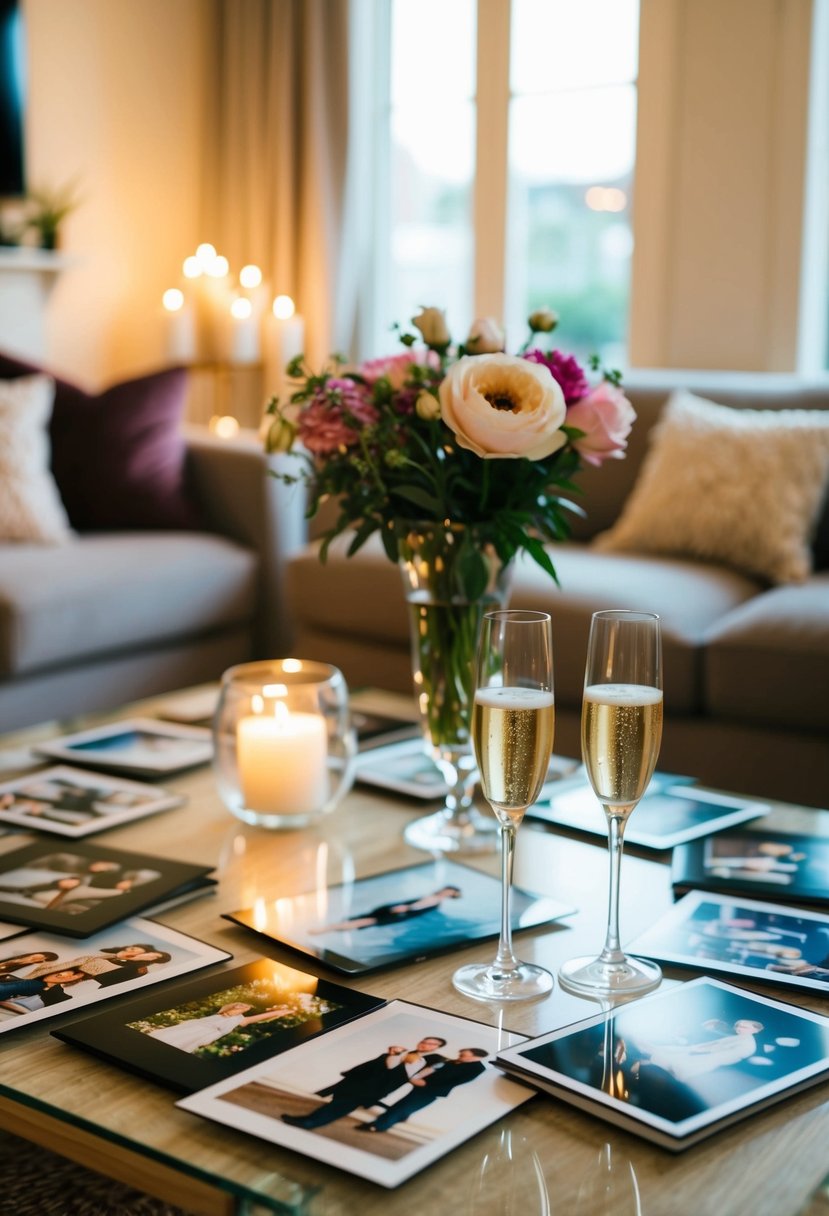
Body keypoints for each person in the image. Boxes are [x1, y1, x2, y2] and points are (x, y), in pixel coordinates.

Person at [281, 1035, 448, 1129]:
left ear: (436, 1048)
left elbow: (398, 1071)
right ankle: (311, 1120)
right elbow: (387, 1065)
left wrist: (400, 1057)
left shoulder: (428, 1060)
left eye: (431, 1044)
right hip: (362, 1082)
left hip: (376, 1088)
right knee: (338, 1102)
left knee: (342, 1105)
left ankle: (309, 1122)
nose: (426, 1045)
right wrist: (393, 1054)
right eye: (425, 1041)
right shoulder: (406, 1053)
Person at [357, 1047, 488, 1133]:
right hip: (420, 1085)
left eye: (464, 1055)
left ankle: (378, 1126)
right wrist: (417, 1078)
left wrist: (425, 1084)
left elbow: (455, 1082)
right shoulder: (454, 1061)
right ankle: (385, 1121)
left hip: (432, 1090)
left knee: (403, 1107)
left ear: (475, 1057)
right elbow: (434, 1069)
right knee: (402, 1106)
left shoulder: (477, 1068)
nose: (460, 1056)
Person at [631, 1018, 764, 1083]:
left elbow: (725, 1053)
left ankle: (648, 1054)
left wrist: (702, 1052)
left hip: (704, 1060)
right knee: (670, 1057)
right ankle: (648, 1053)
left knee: (673, 1064)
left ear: (755, 1029)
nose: (739, 1028)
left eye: (744, 1026)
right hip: (701, 1056)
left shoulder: (747, 1043)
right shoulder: (738, 1039)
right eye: (738, 1026)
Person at [145, 1002, 295, 1052]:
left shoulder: (240, 1020)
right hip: (193, 1027)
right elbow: (226, 1009)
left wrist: (280, 1012)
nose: (242, 1009)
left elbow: (260, 1017)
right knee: (165, 1037)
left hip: (203, 1034)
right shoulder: (219, 1013)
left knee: (179, 1044)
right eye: (241, 1006)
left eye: (244, 1009)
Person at [307, 887, 462, 935]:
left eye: (450, 893)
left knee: (362, 921)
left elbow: (416, 906)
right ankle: (326, 929)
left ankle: (325, 929)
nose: (446, 892)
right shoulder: (434, 898)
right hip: (397, 913)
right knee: (362, 921)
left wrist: (404, 908)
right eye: (448, 891)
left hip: (397, 913)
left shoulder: (434, 899)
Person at [0, 968, 89, 1012]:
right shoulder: (32, 984)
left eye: (71, 977)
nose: (64, 977)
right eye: (60, 974)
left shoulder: (60, 996)